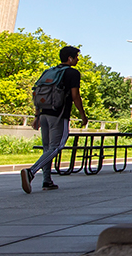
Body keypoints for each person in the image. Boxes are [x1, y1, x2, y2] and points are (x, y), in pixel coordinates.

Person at [21, 46, 88, 193]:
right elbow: (75, 96)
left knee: (47, 149)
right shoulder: (72, 73)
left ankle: (47, 180)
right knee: (57, 146)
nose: (77, 59)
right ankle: (31, 172)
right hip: (59, 115)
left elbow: (36, 92)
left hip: (44, 113)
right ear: (70, 58)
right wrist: (83, 115)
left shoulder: (49, 71)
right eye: (76, 57)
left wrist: (37, 115)